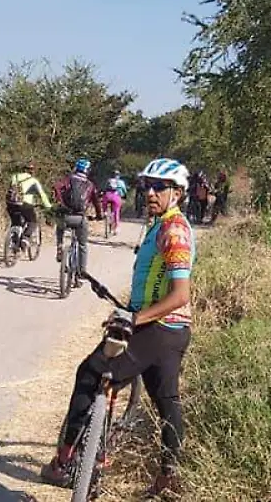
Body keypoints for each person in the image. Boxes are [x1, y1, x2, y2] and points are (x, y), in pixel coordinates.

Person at [41, 157, 195, 498]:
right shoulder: (162, 224)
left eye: (160, 187)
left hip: (155, 328)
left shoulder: (174, 230)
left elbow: (180, 294)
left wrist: (134, 319)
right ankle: (169, 477)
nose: (151, 193)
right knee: (166, 400)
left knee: (89, 373)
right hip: (172, 332)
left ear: (179, 193)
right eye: (146, 186)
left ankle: (63, 463)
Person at [52, 157, 103, 272]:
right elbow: (97, 203)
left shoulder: (68, 179)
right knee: (82, 245)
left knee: (60, 226)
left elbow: (56, 187)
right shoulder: (90, 185)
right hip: (80, 218)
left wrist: (60, 202)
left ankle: (60, 246)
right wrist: (99, 216)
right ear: (87, 171)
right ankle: (81, 272)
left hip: (66, 216)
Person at [6, 160, 52, 248]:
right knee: (32, 221)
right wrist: (48, 206)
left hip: (11, 203)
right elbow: (42, 194)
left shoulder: (14, 177)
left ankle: (14, 241)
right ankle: (25, 238)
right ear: (32, 170)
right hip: (25, 204)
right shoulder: (33, 181)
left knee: (16, 222)